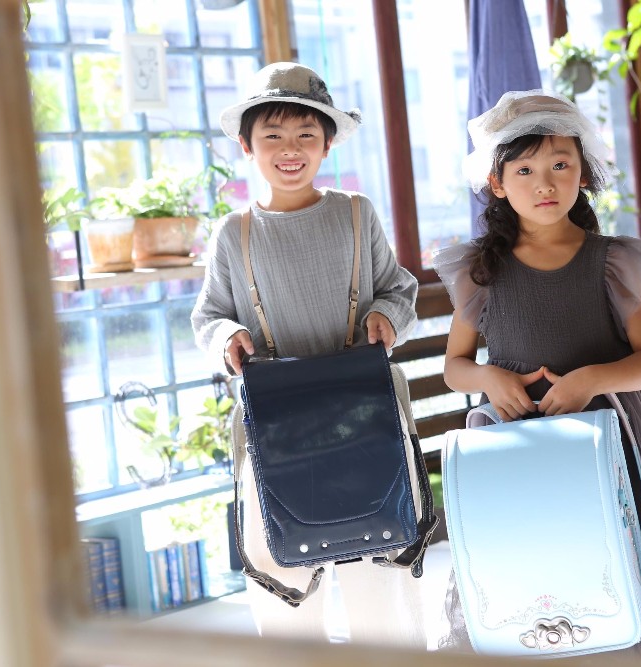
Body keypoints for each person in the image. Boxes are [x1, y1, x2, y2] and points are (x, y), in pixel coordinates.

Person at [432, 89, 641, 665]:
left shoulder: (611, 262)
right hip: (519, 452)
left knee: (614, 570)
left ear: (583, 173)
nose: (544, 184)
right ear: (497, 183)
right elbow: (454, 367)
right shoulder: (481, 271)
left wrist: (590, 379)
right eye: (525, 170)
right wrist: (490, 378)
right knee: (533, 574)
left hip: (610, 451)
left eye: (560, 166)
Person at [191, 62, 425, 648]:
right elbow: (208, 316)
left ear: (327, 144)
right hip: (277, 427)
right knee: (283, 580)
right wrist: (226, 337)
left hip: (365, 418)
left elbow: (399, 289)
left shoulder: (356, 214)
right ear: (247, 145)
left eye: (306, 135)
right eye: (272, 135)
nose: (290, 149)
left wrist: (386, 315)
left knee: (382, 575)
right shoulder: (234, 233)